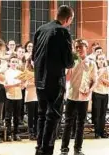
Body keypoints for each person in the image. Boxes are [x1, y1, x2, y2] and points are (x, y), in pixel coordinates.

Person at [32, 5, 75, 155]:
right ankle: (46, 150)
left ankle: (39, 148)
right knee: (53, 115)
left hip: (39, 79)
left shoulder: (40, 29)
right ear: (68, 19)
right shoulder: (63, 32)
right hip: (54, 79)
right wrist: (72, 55)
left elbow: (33, 57)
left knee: (42, 114)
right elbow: (68, 62)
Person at [59, 39, 97, 155]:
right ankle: (64, 148)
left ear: (86, 47)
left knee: (81, 124)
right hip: (71, 95)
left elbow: (94, 80)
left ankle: (78, 148)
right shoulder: (72, 61)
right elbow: (68, 78)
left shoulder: (91, 63)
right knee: (68, 123)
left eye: (81, 47)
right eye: (76, 47)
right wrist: (70, 66)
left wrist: (89, 91)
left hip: (84, 98)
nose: (78, 49)